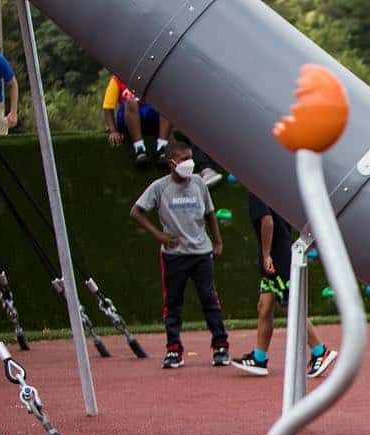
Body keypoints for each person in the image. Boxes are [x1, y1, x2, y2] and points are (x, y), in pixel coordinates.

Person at [129, 142, 229, 369]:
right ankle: (173, 350)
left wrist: (218, 241)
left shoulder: (198, 184)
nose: (189, 163)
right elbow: (136, 212)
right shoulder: (159, 187)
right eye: (183, 159)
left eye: (190, 158)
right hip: (174, 255)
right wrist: (159, 236)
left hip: (201, 252)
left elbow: (210, 213)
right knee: (172, 303)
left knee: (209, 299)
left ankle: (220, 347)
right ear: (171, 162)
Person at [230, 193, 338, 379]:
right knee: (264, 307)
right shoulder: (271, 187)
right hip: (277, 254)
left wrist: (266, 255)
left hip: (277, 257)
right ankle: (259, 358)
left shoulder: (257, 189)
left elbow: (267, 221)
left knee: (291, 306)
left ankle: (320, 351)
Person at [101, 75, 171, 166]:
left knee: (165, 101)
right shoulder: (118, 78)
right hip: (128, 117)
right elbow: (108, 107)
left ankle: (162, 148)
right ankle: (139, 148)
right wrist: (113, 130)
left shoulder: (153, 76)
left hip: (150, 116)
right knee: (131, 102)